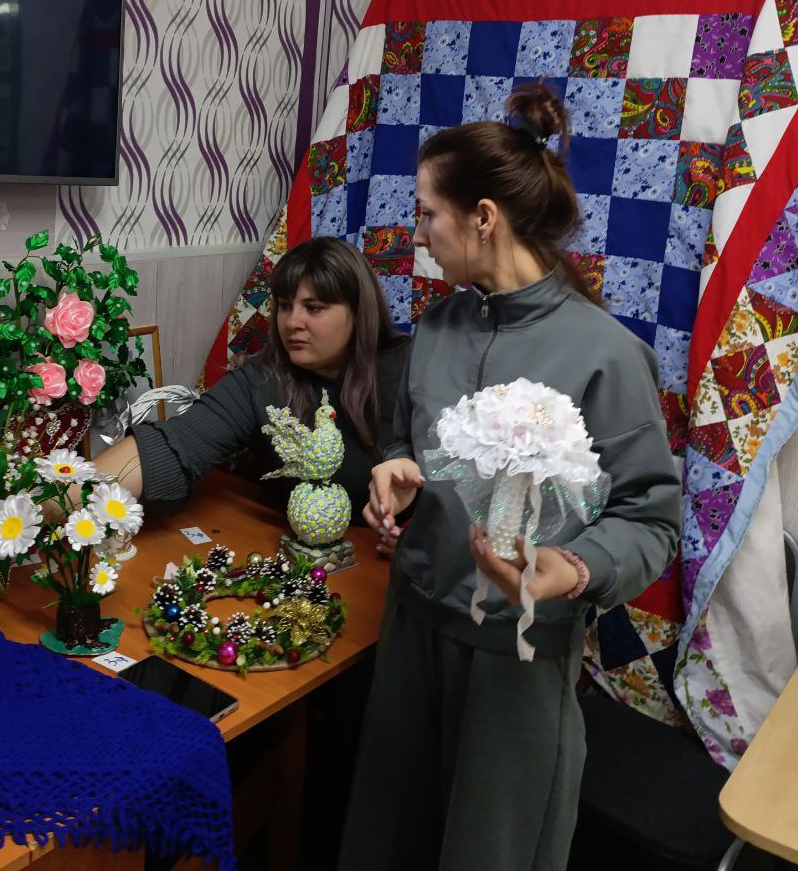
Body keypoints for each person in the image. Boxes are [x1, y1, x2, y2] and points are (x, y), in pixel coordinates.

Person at [337, 83, 681, 871]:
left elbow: (650, 520)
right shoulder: (435, 327)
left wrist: (574, 567)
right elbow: (405, 440)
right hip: (410, 630)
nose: (415, 232)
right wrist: (395, 471)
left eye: (427, 213)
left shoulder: (605, 355)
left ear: (482, 217)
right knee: (385, 842)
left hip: (516, 660)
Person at [94, 237, 408, 522]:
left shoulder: (412, 369)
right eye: (285, 306)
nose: (293, 322)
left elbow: (438, 470)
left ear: (359, 313)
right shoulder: (262, 379)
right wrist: (70, 497)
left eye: (314, 308)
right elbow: (170, 448)